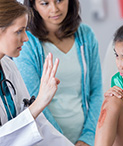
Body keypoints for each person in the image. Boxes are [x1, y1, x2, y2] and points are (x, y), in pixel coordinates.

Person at [13, 0, 103, 145]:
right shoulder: (26, 43)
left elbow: (97, 90)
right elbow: (34, 99)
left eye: (59, 1)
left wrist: (88, 137)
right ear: (34, 6)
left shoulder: (86, 35)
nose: (54, 9)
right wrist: (62, 141)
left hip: (86, 138)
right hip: (48, 139)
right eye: (45, 3)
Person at [0, 0, 74, 145]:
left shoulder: (9, 66)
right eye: (19, 31)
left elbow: (37, 125)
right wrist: (40, 102)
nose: (26, 38)